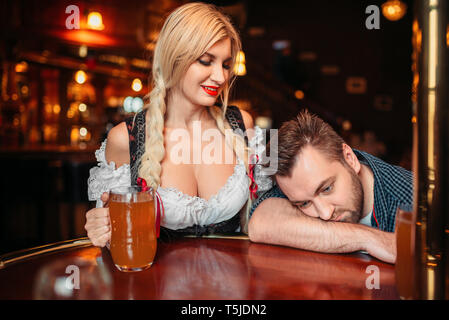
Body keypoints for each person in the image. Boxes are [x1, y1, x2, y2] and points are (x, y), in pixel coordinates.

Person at [85, 2, 272, 247]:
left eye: (226, 65)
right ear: (174, 58)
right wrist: (105, 231)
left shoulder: (242, 123)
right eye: (206, 61)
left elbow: (269, 207)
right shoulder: (125, 138)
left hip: (234, 280)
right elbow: (120, 242)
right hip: (158, 283)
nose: (220, 77)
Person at [248, 110, 413, 264]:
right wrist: (369, 239)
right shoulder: (301, 184)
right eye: (305, 204)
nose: (325, 214)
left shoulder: (411, 199)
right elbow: (260, 222)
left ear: (350, 159)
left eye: (327, 189)